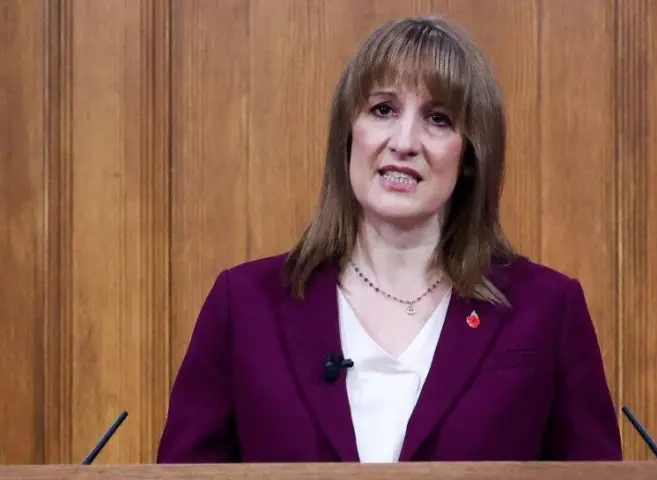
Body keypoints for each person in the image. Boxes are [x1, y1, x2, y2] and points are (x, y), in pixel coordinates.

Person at [156, 15, 622, 463]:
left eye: (438, 118)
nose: (404, 142)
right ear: (349, 134)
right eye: (383, 110)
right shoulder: (245, 305)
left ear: (469, 156)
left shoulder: (546, 309)